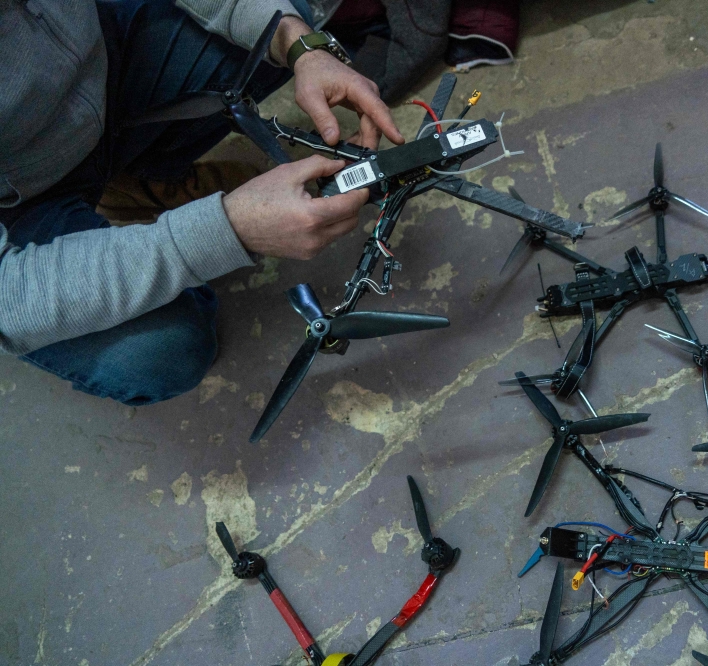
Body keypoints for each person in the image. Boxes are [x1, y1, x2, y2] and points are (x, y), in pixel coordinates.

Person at [0, 0, 405, 405]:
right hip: (20, 203)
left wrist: (302, 47)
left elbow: (282, 31)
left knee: (278, 20)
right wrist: (221, 231)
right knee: (160, 354)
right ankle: (126, 188)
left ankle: (141, 177)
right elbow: (9, 298)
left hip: (98, 60)